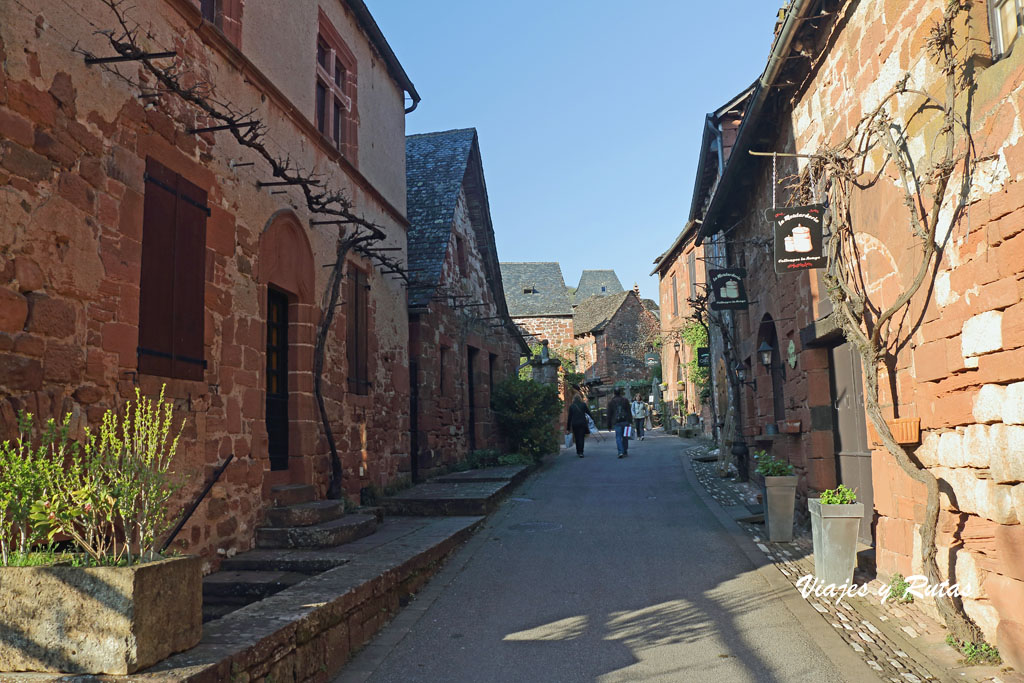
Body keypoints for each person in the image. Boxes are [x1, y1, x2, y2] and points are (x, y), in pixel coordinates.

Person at [608, 387, 632, 458]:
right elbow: (629, 411)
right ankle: (625, 450)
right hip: (625, 421)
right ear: (620, 392)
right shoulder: (625, 400)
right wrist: (630, 421)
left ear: (614, 393)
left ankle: (620, 452)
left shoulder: (611, 402)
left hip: (617, 422)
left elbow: (609, 415)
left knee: (618, 437)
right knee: (625, 437)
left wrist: (609, 425)